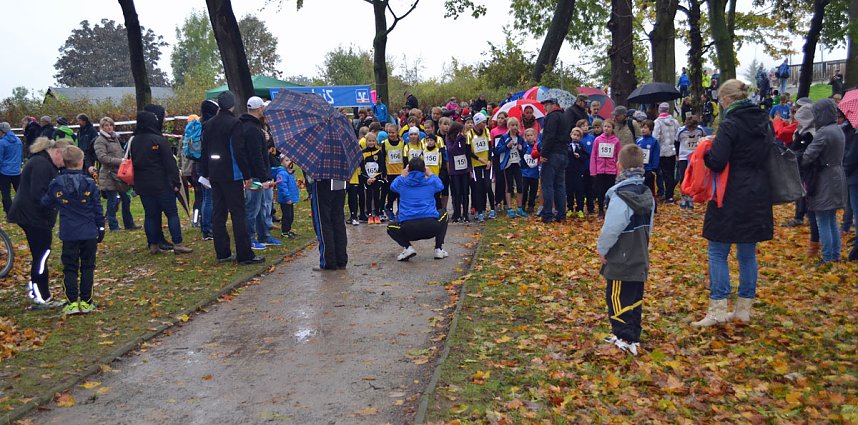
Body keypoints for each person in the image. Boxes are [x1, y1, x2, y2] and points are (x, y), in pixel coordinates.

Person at [692, 79, 773, 327]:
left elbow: (717, 161)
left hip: (730, 193)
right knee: (747, 253)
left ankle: (717, 308)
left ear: (727, 100)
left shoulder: (730, 123)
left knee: (718, 251)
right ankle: (743, 309)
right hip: (758, 191)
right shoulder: (764, 121)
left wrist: (705, 149)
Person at [597, 144, 654, 355]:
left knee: (616, 295)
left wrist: (603, 249)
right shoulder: (646, 192)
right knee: (635, 295)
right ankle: (632, 334)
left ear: (619, 166)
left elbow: (612, 227)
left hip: (621, 254)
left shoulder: (620, 195)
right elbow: (651, 223)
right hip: (639, 251)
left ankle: (623, 335)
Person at [201, 91, 263, 265]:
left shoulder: (209, 123)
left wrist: (205, 173)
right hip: (232, 174)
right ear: (232, 105)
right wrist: (246, 175)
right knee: (238, 214)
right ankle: (245, 254)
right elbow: (239, 151)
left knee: (218, 213)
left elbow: (205, 150)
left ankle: (222, 252)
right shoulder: (234, 123)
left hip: (214, 174)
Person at [40, 146, 104, 315]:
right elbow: (97, 207)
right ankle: (86, 301)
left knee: (70, 267)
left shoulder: (56, 183)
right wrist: (101, 226)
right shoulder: (89, 183)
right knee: (88, 266)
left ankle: (72, 302)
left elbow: (46, 202)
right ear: (81, 162)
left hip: (69, 232)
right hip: (88, 231)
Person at [8, 137, 70, 308]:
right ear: (57, 152)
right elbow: (39, 194)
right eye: (64, 161)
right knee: (41, 255)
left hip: (32, 215)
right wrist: (57, 204)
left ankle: (38, 291)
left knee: (41, 254)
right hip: (33, 217)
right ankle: (41, 296)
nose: (63, 165)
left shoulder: (41, 162)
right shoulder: (42, 165)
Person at [132, 106, 192, 255]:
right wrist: (176, 183)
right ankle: (178, 243)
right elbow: (169, 164)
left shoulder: (134, 141)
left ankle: (153, 244)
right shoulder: (158, 139)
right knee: (172, 213)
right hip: (162, 183)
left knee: (150, 215)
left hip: (143, 184)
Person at [801, 99, 847, 264]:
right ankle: (835, 255)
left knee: (822, 220)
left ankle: (828, 257)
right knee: (832, 219)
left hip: (825, 178)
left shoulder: (824, 132)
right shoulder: (838, 129)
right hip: (837, 174)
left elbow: (808, 156)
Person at [387, 157, 449, 261]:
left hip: (409, 229)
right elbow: (440, 186)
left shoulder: (402, 182)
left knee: (390, 227)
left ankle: (408, 247)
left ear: (409, 169)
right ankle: (438, 248)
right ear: (424, 169)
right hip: (431, 227)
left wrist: (402, 174)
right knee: (444, 213)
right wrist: (431, 174)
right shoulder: (430, 182)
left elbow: (393, 187)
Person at [241, 96, 281, 250]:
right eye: (263, 108)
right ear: (259, 109)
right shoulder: (251, 129)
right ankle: (251, 238)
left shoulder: (253, 127)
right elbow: (255, 155)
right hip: (255, 175)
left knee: (261, 207)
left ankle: (264, 235)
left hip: (258, 173)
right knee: (253, 207)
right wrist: (263, 177)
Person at [92, 117, 136, 231]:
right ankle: (113, 226)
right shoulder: (100, 140)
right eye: (106, 125)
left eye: (110, 125)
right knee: (112, 201)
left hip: (120, 174)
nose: (109, 127)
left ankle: (129, 223)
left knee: (126, 199)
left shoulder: (115, 138)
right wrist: (119, 161)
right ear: (101, 127)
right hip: (108, 174)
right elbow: (102, 157)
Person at [539, 98, 571, 223]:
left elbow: (549, 136)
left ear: (553, 105)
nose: (545, 108)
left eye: (546, 105)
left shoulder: (551, 117)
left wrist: (544, 153)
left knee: (547, 185)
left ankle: (547, 214)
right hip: (563, 153)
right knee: (560, 185)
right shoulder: (565, 116)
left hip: (552, 154)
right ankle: (561, 214)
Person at [495, 117, 528, 218]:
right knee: (509, 186)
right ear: (508, 126)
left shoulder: (520, 138)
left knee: (520, 185)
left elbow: (525, 149)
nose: (514, 127)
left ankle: (519, 208)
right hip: (508, 165)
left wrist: (521, 149)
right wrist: (506, 146)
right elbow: (497, 150)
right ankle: (509, 209)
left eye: (516, 125)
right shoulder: (504, 137)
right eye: (512, 125)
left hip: (517, 163)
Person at [590, 119, 622, 216]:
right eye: (605, 126)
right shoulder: (598, 140)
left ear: (612, 129)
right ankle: (600, 209)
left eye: (609, 127)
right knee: (600, 191)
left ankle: (610, 208)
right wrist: (593, 171)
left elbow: (618, 157)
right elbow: (593, 155)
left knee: (610, 191)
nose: (606, 129)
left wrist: (618, 172)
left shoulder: (616, 141)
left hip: (611, 171)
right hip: (600, 170)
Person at [446, 121, 473, 223]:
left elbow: (465, 152)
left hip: (464, 168)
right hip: (455, 169)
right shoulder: (449, 139)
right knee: (456, 192)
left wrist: (469, 168)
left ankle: (465, 214)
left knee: (465, 192)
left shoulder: (464, 139)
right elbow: (451, 151)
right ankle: (457, 213)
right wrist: (457, 140)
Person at [468, 112, 493, 221]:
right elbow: (468, 151)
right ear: (478, 123)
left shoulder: (487, 131)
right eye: (483, 122)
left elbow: (490, 147)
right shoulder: (470, 134)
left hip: (487, 163)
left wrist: (489, 161)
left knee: (488, 186)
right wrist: (479, 159)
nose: (485, 123)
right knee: (478, 187)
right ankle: (479, 211)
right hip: (476, 164)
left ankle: (492, 209)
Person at [676, 117, 705, 209]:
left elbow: (704, 140)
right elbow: (676, 142)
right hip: (683, 156)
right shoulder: (681, 131)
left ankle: (690, 197)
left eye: (693, 128)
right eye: (689, 128)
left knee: (693, 177)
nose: (691, 130)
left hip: (695, 157)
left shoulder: (700, 130)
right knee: (683, 177)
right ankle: (683, 197)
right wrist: (677, 155)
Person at [653, 103, 680, 202]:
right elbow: (678, 135)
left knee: (665, 173)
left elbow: (656, 137)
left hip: (662, 151)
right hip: (672, 150)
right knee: (671, 173)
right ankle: (670, 194)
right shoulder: (675, 122)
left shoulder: (657, 122)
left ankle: (667, 195)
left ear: (660, 110)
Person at [361, 132, 386, 224]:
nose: (371, 143)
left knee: (376, 196)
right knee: (368, 196)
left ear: (375, 141)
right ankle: (369, 215)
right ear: (366, 141)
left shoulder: (379, 152)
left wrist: (376, 176)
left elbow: (381, 165)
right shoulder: (363, 153)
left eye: (373, 141)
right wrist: (367, 178)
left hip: (376, 177)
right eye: (369, 141)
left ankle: (377, 214)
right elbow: (362, 167)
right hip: (367, 178)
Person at [565, 127, 590, 218]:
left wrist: (579, 156)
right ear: (571, 135)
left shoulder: (581, 146)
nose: (575, 137)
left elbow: (586, 156)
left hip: (578, 171)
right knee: (569, 191)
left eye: (578, 135)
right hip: (568, 171)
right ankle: (570, 208)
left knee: (579, 191)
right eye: (574, 135)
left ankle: (580, 208)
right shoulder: (567, 146)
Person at [274, 156, 300, 239]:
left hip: (290, 198)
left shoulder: (289, 172)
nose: (289, 162)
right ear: (281, 162)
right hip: (285, 199)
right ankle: (285, 231)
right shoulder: (282, 173)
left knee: (291, 215)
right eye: (286, 160)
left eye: (290, 160)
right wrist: (287, 197)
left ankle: (288, 230)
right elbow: (282, 187)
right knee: (287, 215)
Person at [0, 122, 23, 213]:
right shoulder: (18, 140)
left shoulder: (2, 143)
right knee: (20, 192)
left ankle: (9, 212)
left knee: (6, 193)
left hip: (5, 172)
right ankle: (23, 209)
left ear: (2, 131)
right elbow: (21, 155)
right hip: (17, 171)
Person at [635, 120, 661, 201]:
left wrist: (654, 168)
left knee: (650, 189)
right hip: (640, 169)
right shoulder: (638, 141)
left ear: (651, 129)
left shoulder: (654, 141)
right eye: (642, 127)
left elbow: (656, 155)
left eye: (645, 128)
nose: (643, 130)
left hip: (649, 169)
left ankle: (653, 206)